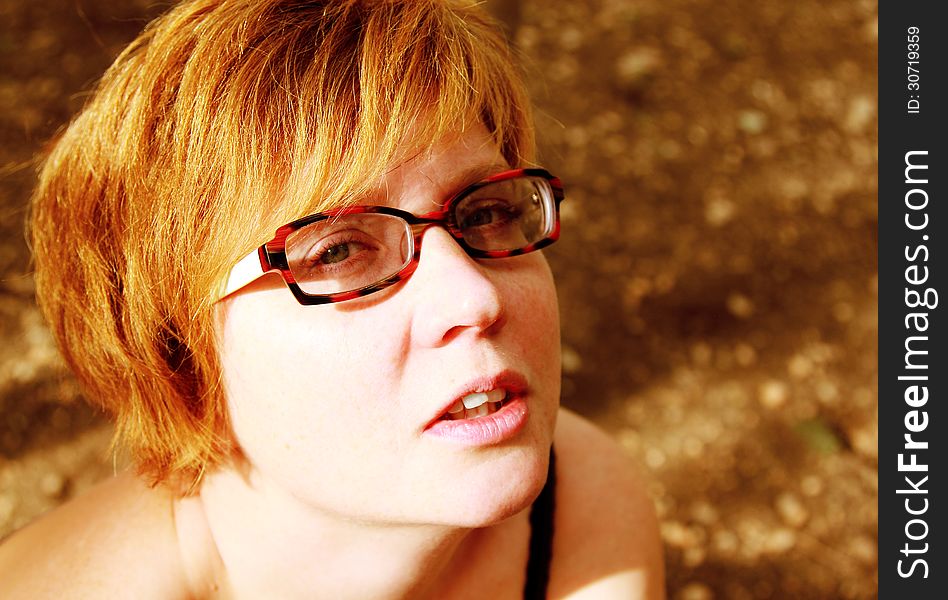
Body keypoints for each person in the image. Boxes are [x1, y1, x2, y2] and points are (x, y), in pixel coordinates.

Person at [0, 0, 664, 597]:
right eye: (339, 252)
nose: (474, 297)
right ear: (180, 355)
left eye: (484, 212)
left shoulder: (581, 507)